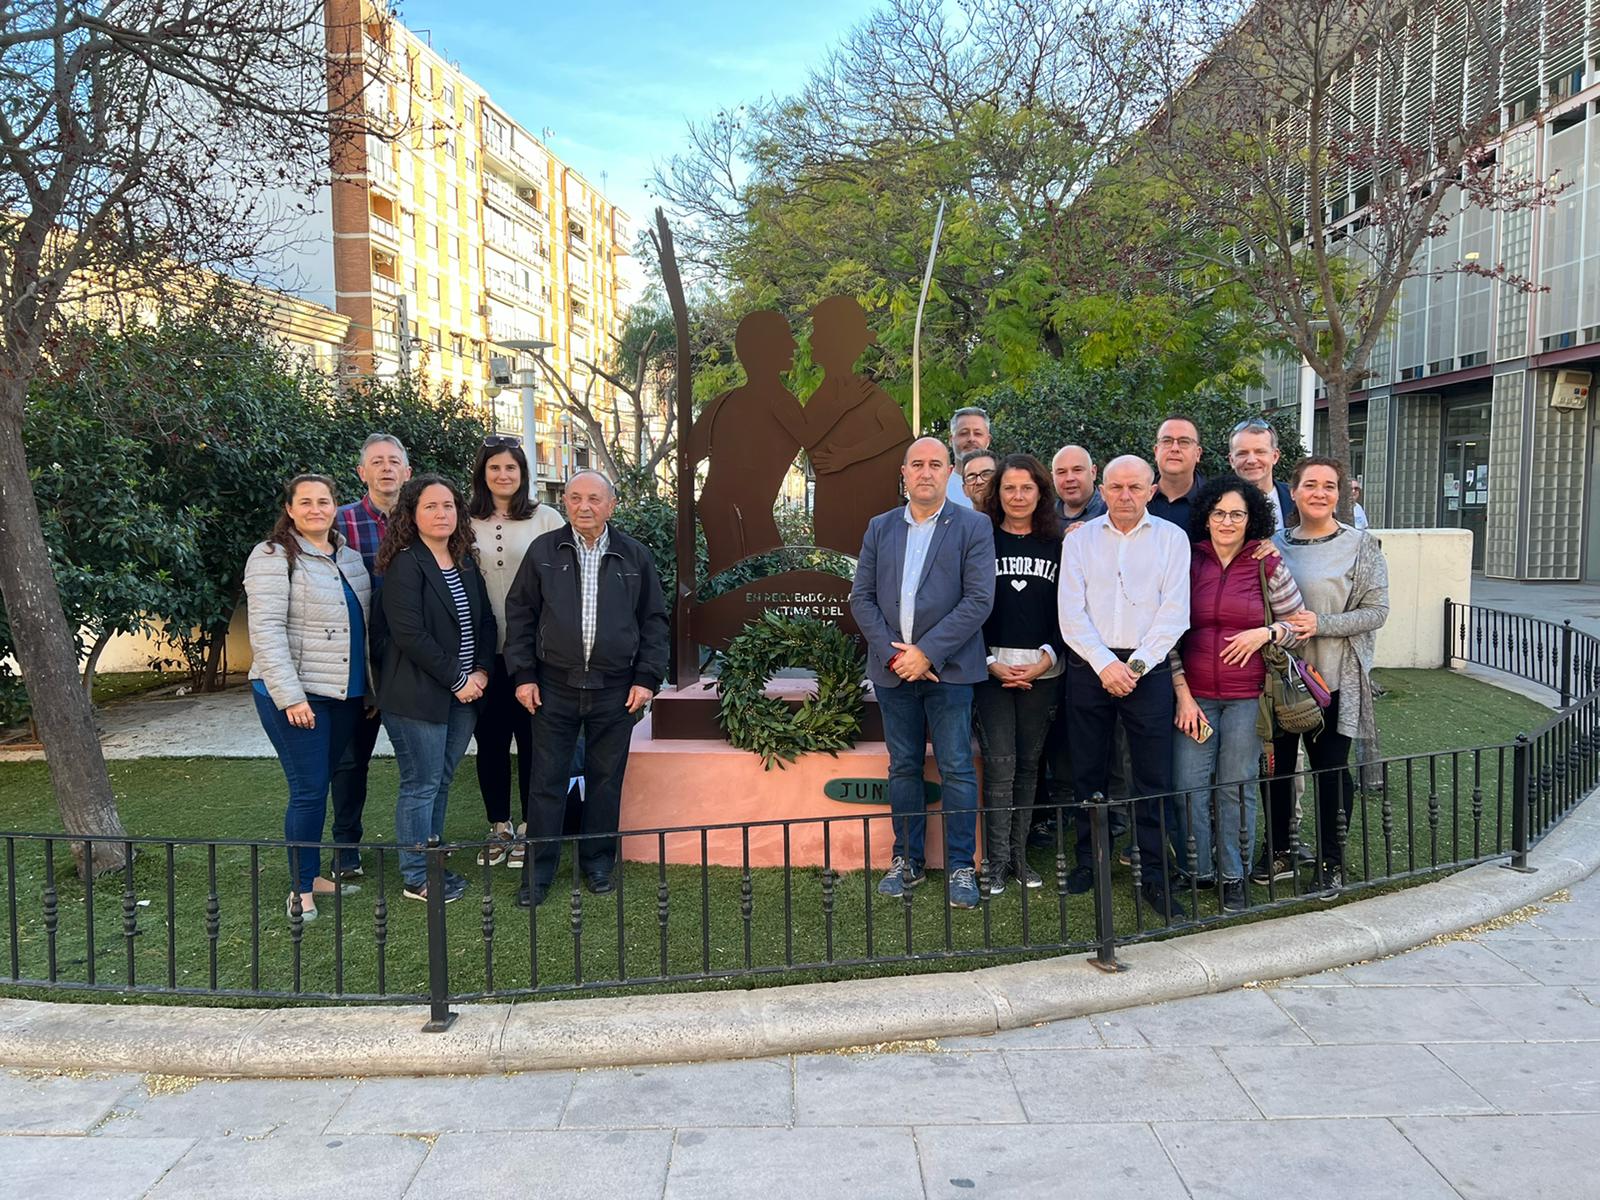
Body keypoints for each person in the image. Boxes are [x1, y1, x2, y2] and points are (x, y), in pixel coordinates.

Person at [505, 470, 669, 907]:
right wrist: (522, 675)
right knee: (545, 781)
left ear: (611, 505)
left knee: (605, 780)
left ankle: (597, 864)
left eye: (594, 499)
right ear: (566, 504)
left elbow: (654, 620)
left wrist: (646, 678)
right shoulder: (543, 552)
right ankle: (538, 874)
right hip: (552, 687)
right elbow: (519, 616)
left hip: (616, 690)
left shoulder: (635, 556)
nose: (583, 506)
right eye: (575, 498)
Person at [851, 437, 995, 909]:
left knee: (956, 767)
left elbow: (978, 600)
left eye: (936, 464)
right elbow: (862, 598)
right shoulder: (880, 527)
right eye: (918, 464)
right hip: (894, 674)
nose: (926, 472)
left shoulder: (972, 526)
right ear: (904, 472)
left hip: (949, 673)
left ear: (949, 472)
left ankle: (959, 867)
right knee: (904, 767)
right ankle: (906, 861)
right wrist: (899, 658)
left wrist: (927, 653)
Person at [1058, 456, 1191, 920]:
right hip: (1090, 667)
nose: (1125, 496)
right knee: (1088, 772)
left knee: (1152, 777)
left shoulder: (1173, 540)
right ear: (1103, 488)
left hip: (1146, 668)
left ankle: (1153, 874)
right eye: (1116, 487)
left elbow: (1175, 613)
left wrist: (1132, 666)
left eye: (1135, 487)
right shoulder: (1080, 541)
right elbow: (1070, 614)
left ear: (1151, 489)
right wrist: (1103, 665)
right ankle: (1087, 862)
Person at [1254, 456, 1389, 897]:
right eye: (1309, 484)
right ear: (1291, 492)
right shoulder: (1272, 544)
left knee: (1330, 770)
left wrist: (1321, 624)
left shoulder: (1360, 546)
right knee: (1274, 772)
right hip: (1281, 681)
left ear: (1342, 493)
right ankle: (1279, 851)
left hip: (1332, 681)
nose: (1319, 492)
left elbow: (1377, 611)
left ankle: (1331, 860)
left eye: (1329, 486)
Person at [1170, 475, 1307, 912]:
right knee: (1189, 785)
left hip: (1249, 697)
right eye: (1219, 513)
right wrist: (1182, 694)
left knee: (1236, 786)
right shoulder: (1188, 562)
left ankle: (1234, 874)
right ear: (1206, 516)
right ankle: (1200, 870)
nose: (1227, 521)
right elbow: (1168, 632)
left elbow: (1298, 625)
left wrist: (1264, 633)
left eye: (1237, 514)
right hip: (1195, 696)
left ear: (1251, 520)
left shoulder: (1268, 564)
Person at [244, 474, 370, 922]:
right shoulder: (273, 556)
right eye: (306, 502)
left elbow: (365, 627)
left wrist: (368, 688)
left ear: (336, 506)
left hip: (345, 694)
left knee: (325, 782)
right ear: (290, 509)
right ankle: (300, 889)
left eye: (325, 501)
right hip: (299, 696)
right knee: (308, 790)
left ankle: (315, 874)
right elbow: (266, 630)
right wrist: (291, 697)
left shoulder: (350, 557)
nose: (317, 508)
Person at [373, 475, 495, 904]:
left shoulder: (463, 559)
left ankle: (432, 854)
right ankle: (416, 876)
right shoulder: (405, 564)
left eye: (448, 506)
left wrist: (480, 670)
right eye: (431, 506)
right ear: (411, 514)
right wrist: (459, 679)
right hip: (417, 696)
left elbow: (483, 621)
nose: (442, 514)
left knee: (440, 781)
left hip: (464, 694)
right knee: (420, 784)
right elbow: (410, 635)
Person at [468, 435, 563, 868]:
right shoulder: (465, 520)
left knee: (531, 741)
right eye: (494, 468)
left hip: (534, 652)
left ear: (523, 474)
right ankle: (498, 826)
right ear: (482, 474)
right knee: (489, 742)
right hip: (482, 652)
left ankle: (529, 828)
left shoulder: (546, 519)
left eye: (511, 468)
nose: (503, 475)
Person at [974, 454, 1062, 894]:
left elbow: (1068, 612)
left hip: (1042, 673)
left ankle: (1020, 857)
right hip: (990, 671)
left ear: (1040, 493)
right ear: (997, 493)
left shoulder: (1058, 543)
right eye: (1009, 488)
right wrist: (989, 662)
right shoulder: (980, 540)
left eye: (1027, 488)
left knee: (1029, 767)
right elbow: (968, 609)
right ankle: (996, 861)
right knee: (1000, 765)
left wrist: (1045, 659)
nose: (1018, 496)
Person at [328, 432, 412, 878]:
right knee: (350, 759)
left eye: (393, 461)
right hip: (357, 663)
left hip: (409, 663)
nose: (385, 468)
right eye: (376, 462)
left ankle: (422, 845)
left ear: (407, 472)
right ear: (362, 472)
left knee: (420, 761)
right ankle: (346, 848)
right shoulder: (337, 522)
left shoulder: (424, 519)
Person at [688, 310, 820, 574]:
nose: (794, 345)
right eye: (785, 339)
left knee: (744, 590)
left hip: (727, 513)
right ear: (764, 347)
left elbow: (689, 457)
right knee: (761, 588)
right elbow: (824, 454)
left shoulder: (725, 402)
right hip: (741, 519)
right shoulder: (780, 404)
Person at [806, 297, 914, 556]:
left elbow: (901, 436)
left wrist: (849, 456)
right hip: (833, 510)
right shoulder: (824, 396)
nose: (811, 340)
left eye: (819, 331)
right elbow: (809, 441)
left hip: (867, 513)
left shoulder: (866, 393)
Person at [1229, 417, 1296, 532]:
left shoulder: (1296, 499)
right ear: (1231, 460)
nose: (1252, 460)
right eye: (1242, 453)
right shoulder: (1217, 502)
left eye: (1260, 452)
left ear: (1275, 456)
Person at [1148, 416, 1206, 533]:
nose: (1174, 448)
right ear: (1156, 451)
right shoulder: (1133, 496)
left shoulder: (1215, 501)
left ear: (1198, 453)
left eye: (1184, 442)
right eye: (1167, 441)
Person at [946, 407, 992, 508]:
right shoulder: (940, 487)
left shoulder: (1001, 483)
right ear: (951, 440)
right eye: (964, 433)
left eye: (977, 433)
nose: (971, 439)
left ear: (988, 440)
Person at [1051, 444, 1105, 527]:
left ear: (1093, 473)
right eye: (1061, 472)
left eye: (1077, 470)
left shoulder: (1111, 513)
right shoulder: (1043, 515)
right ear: (1053, 477)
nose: (1069, 478)